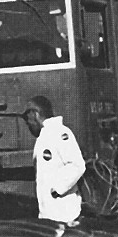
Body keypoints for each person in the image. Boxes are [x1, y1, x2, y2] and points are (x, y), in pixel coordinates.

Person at [24, 95, 84, 224]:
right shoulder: (44, 137)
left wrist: (57, 189)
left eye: (26, 118)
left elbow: (77, 165)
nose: (27, 123)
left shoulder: (60, 133)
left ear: (35, 114)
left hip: (65, 215)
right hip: (49, 215)